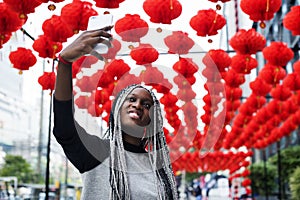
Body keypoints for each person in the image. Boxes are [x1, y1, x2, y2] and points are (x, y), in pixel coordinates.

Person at [53, 26, 178, 199]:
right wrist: (65, 63)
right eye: (132, 99)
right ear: (117, 112)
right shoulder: (98, 152)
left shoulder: (158, 167)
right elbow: (65, 129)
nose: (138, 105)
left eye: (147, 104)